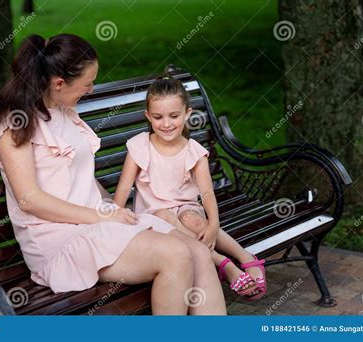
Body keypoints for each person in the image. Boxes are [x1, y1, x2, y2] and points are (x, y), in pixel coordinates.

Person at [0, 33, 226, 314]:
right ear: (59, 84)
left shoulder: (61, 108)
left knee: (198, 251)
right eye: (87, 84)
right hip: (58, 240)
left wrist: (113, 209)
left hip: (96, 224)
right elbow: (31, 200)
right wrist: (102, 216)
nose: (91, 90)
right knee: (176, 254)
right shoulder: (15, 123)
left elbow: (82, 177)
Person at [114, 76, 266, 300]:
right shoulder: (139, 146)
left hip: (186, 207)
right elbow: (124, 187)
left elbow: (206, 193)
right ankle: (223, 264)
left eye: (174, 116)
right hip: (152, 216)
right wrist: (116, 213)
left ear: (187, 113)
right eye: (158, 117)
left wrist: (213, 224)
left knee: (195, 221)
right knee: (165, 216)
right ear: (148, 116)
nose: (166, 124)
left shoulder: (193, 151)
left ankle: (243, 256)